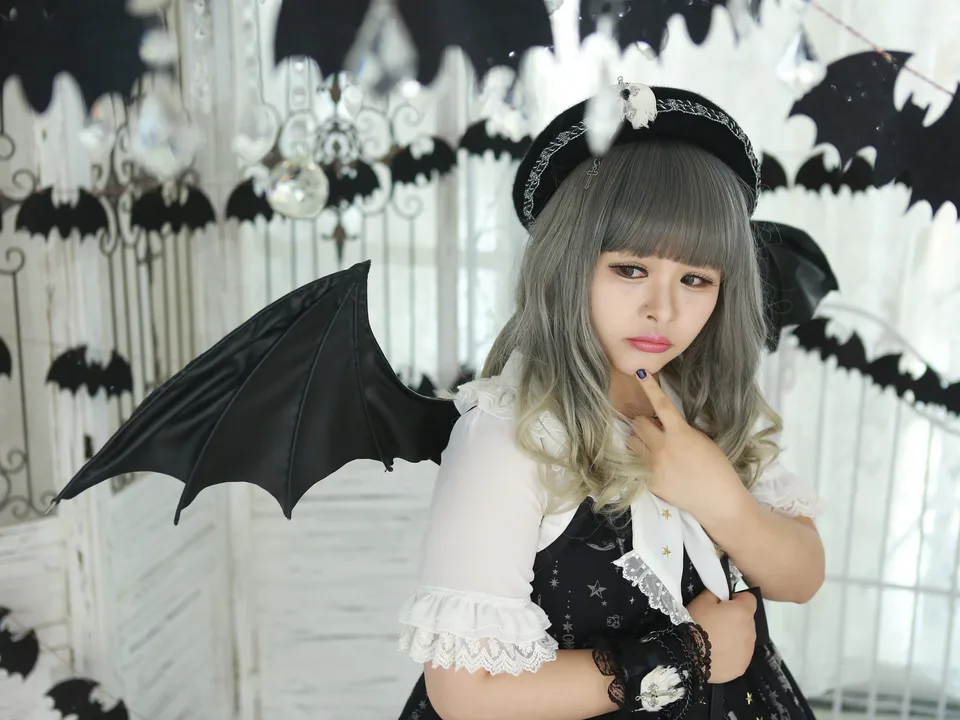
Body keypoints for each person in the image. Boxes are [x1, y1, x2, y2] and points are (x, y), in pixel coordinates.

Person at [395, 81, 826, 720]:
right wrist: (690, 656)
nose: (663, 308)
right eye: (630, 269)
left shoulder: (703, 405)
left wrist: (724, 502)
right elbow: (465, 693)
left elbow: (802, 576)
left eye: (696, 278)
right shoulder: (512, 436)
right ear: (567, 265)